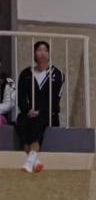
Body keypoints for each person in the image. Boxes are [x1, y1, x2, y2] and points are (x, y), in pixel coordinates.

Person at [15, 40, 64, 174]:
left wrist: (41, 111)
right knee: (21, 120)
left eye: (45, 50)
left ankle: (30, 162)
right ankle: (34, 161)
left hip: (49, 114)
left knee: (38, 122)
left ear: (49, 54)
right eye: (39, 50)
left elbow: (55, 99)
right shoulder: (26, 74)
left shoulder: (57, 74)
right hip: (29, 113)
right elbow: (21, 97)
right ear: (34, 53)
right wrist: (27, 110)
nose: (42, 53)